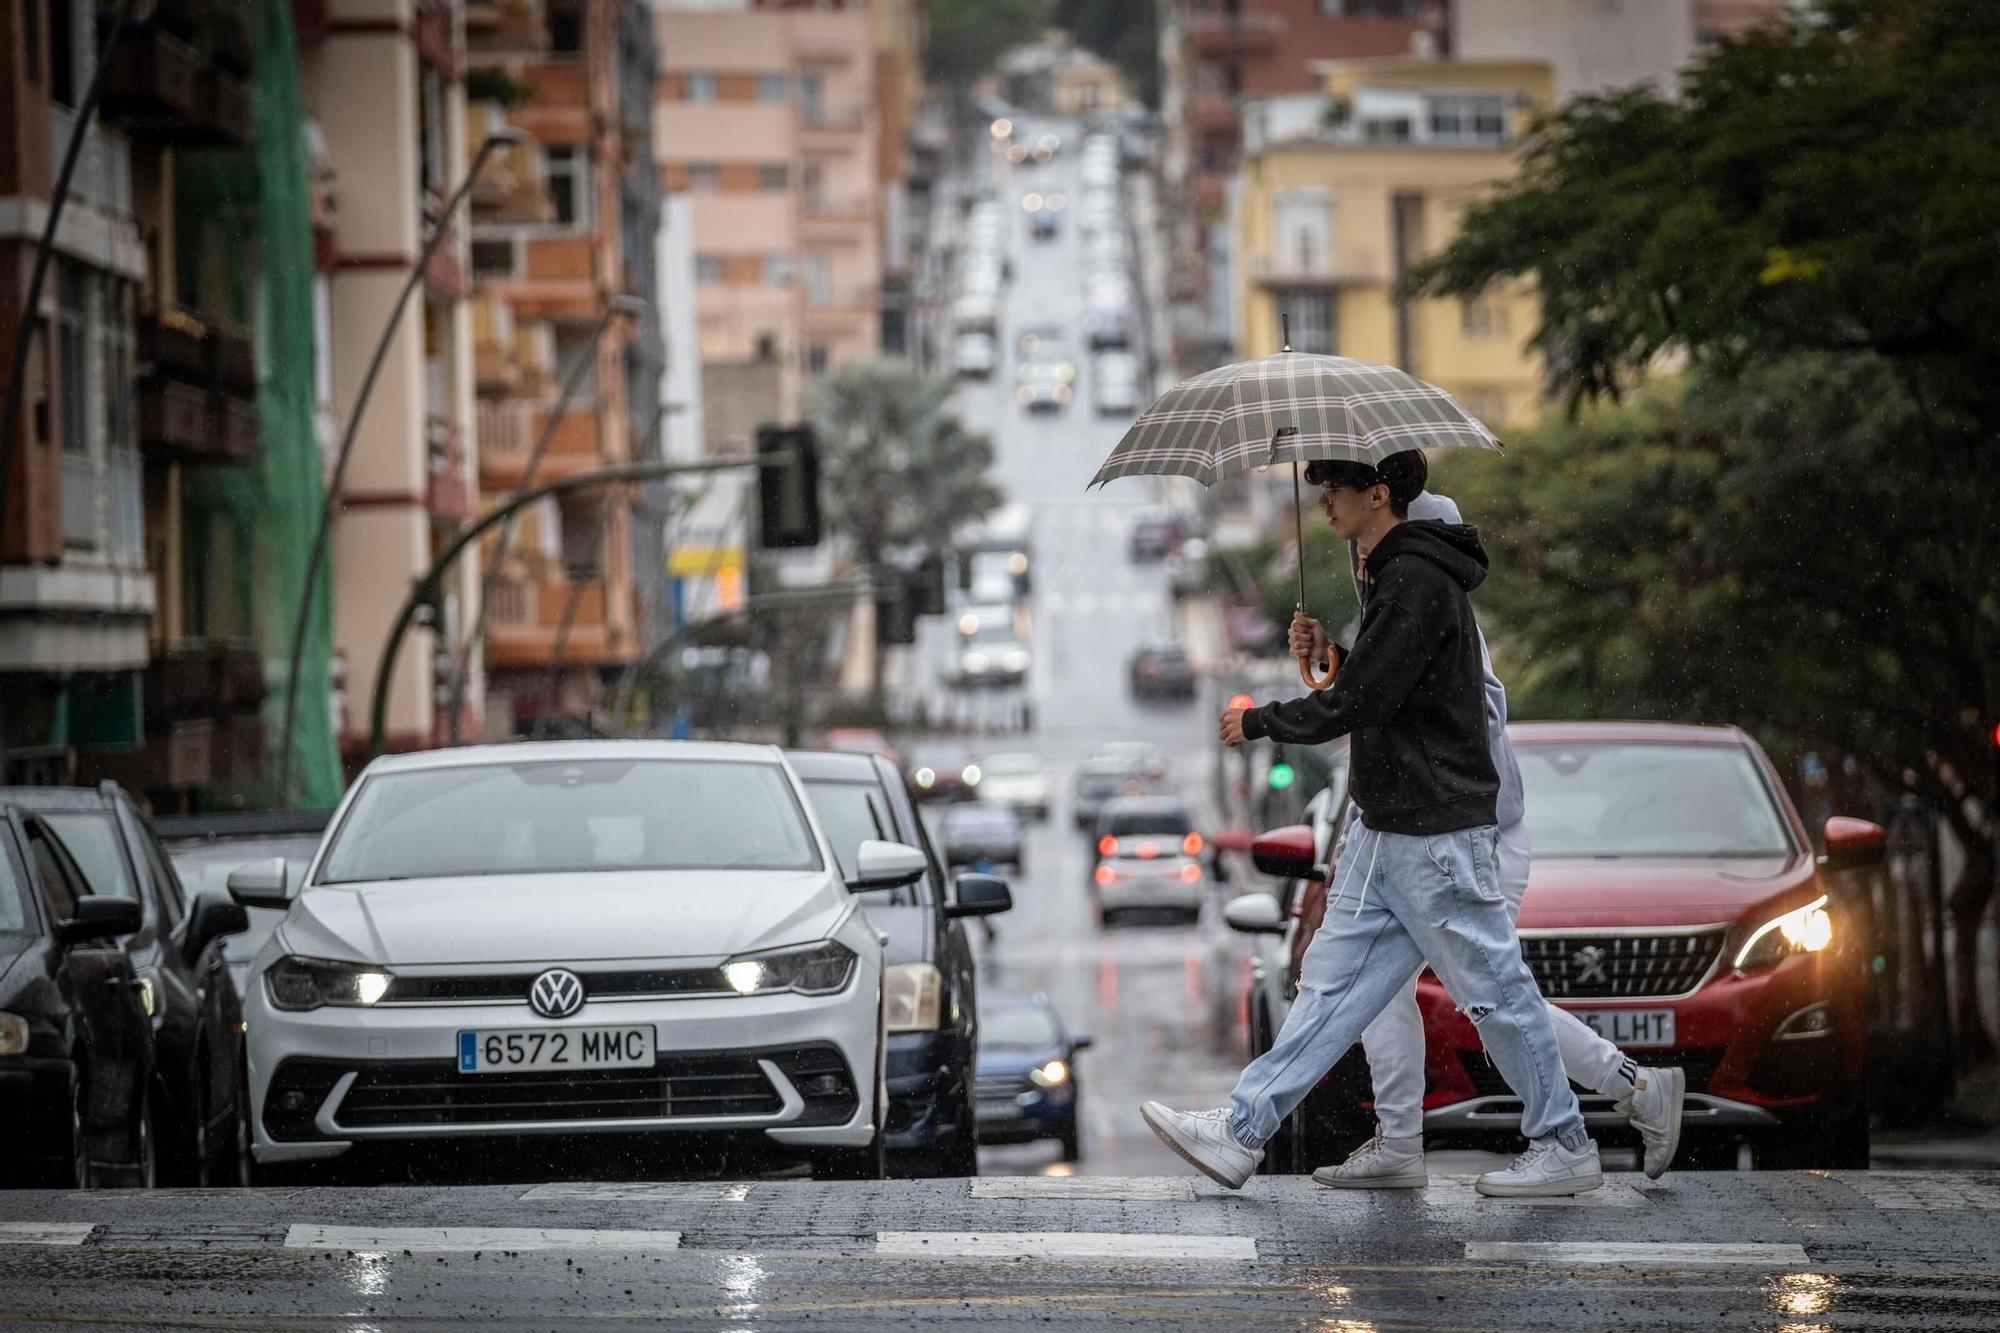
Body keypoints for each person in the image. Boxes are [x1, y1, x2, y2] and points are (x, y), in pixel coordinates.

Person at [1142, 450, 1601, 1198]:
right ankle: (1241, 1130)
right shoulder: (1396, 577)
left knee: (1495, 992)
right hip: (1388, 827)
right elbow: (1381, 680)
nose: (1324, 503)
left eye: (1336, 491)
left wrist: (1258, 720)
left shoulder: (1417, 578)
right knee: (1328, 988)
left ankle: (1564, 1140)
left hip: (1435, 832)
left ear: (1378, 494)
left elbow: (1361, 702)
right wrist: (1328, 653)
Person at [1301, 480, 1685, 1190]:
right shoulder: (1406, 606)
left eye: (1367, 543)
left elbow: (1406, 720)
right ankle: (1402, 1144)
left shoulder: (1429, 608)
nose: (1357, 556)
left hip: (1469, 841)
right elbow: (1384, 706)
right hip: (1442, 840)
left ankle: (1626, 1089)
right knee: (1406, 995)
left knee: (1494, 999)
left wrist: (1327, 688)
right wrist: (1330, 659)